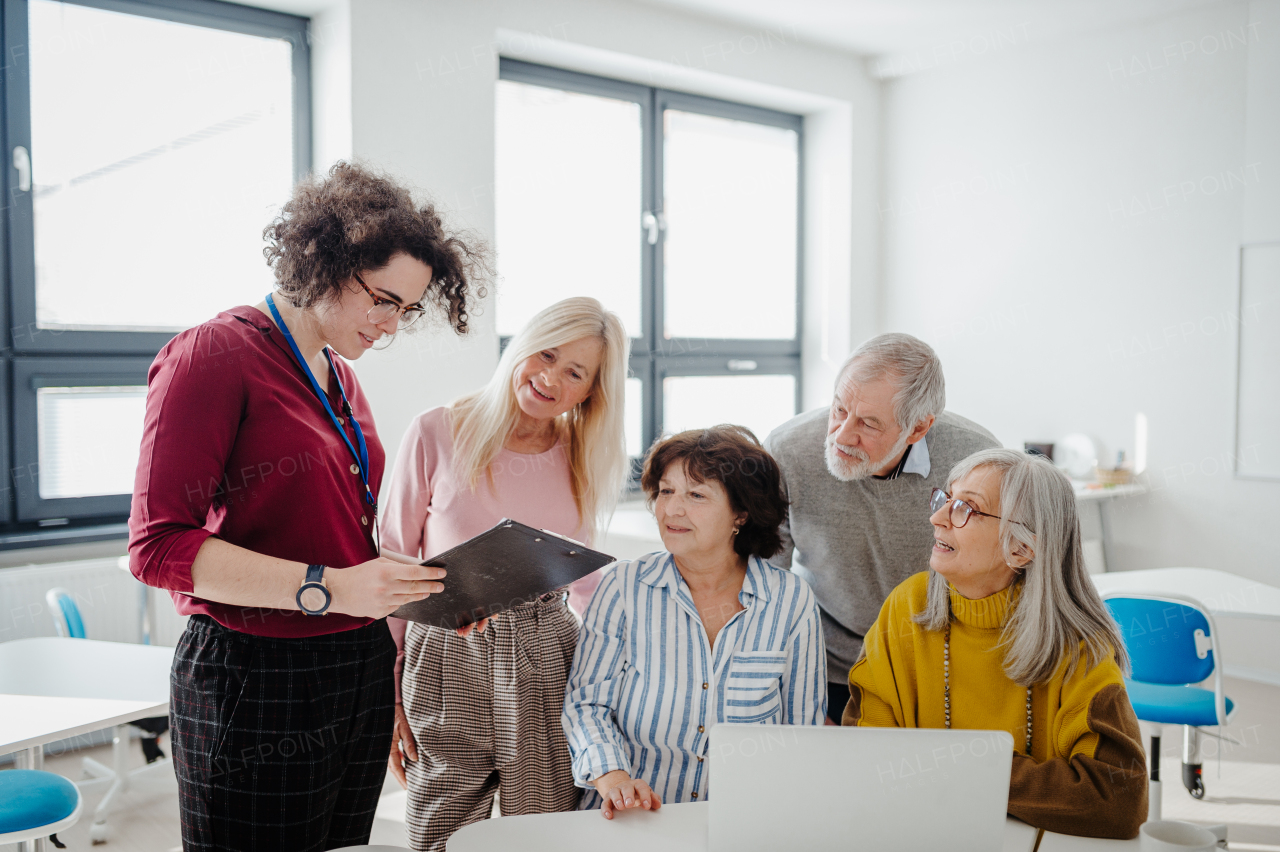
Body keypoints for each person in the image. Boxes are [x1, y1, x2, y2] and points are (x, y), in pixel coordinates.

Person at [128, 162, 488, 851]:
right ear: (326, 261)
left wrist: (416, 590)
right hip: (255, 672)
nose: (389, 326)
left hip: (350, 664)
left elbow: (332, 534)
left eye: (406, 311)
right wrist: (332, 587)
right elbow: (157, 547)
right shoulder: (214, 354)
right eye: (381, 300)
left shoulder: (339, 372)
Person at [382, 297, 630, 851]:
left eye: (575, 373)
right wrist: (388, 690)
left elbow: (583, 583)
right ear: (522, 345)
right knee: (437, 832)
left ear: (590, 391)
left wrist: (615, 680)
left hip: (546, 651)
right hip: (446, 648)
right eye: (546, 354)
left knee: (540, 834)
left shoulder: (582, 454)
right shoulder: (437, 431)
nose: (550, 379)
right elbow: (393, 558)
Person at [845, 448, 1147, 839]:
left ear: (1021, 548)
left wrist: (967, 769)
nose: (936, 518)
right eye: (945, 499)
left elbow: (1117, 797)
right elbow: (864, 756)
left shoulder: (1078, 646)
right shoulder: (907, 607)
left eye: (966, 509)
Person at [564, 426, 826, 819]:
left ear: (741, 513)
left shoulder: (790, 600)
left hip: (745, 822)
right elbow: (587, 704)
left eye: (696, 495)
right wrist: (614, 779)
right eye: (666, 491)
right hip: (632, 818)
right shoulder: (622, 587)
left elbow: (801, 732)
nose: (672, 509)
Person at [765, 332, 999, 722]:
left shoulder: (976, 460)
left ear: (918, 428)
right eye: (839, 409)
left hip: (938, 665)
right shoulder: (787, 450)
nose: (842, 435)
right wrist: (792, 691)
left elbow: (998, 579)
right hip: (825, 666)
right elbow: (767, 584)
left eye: (868, 424)